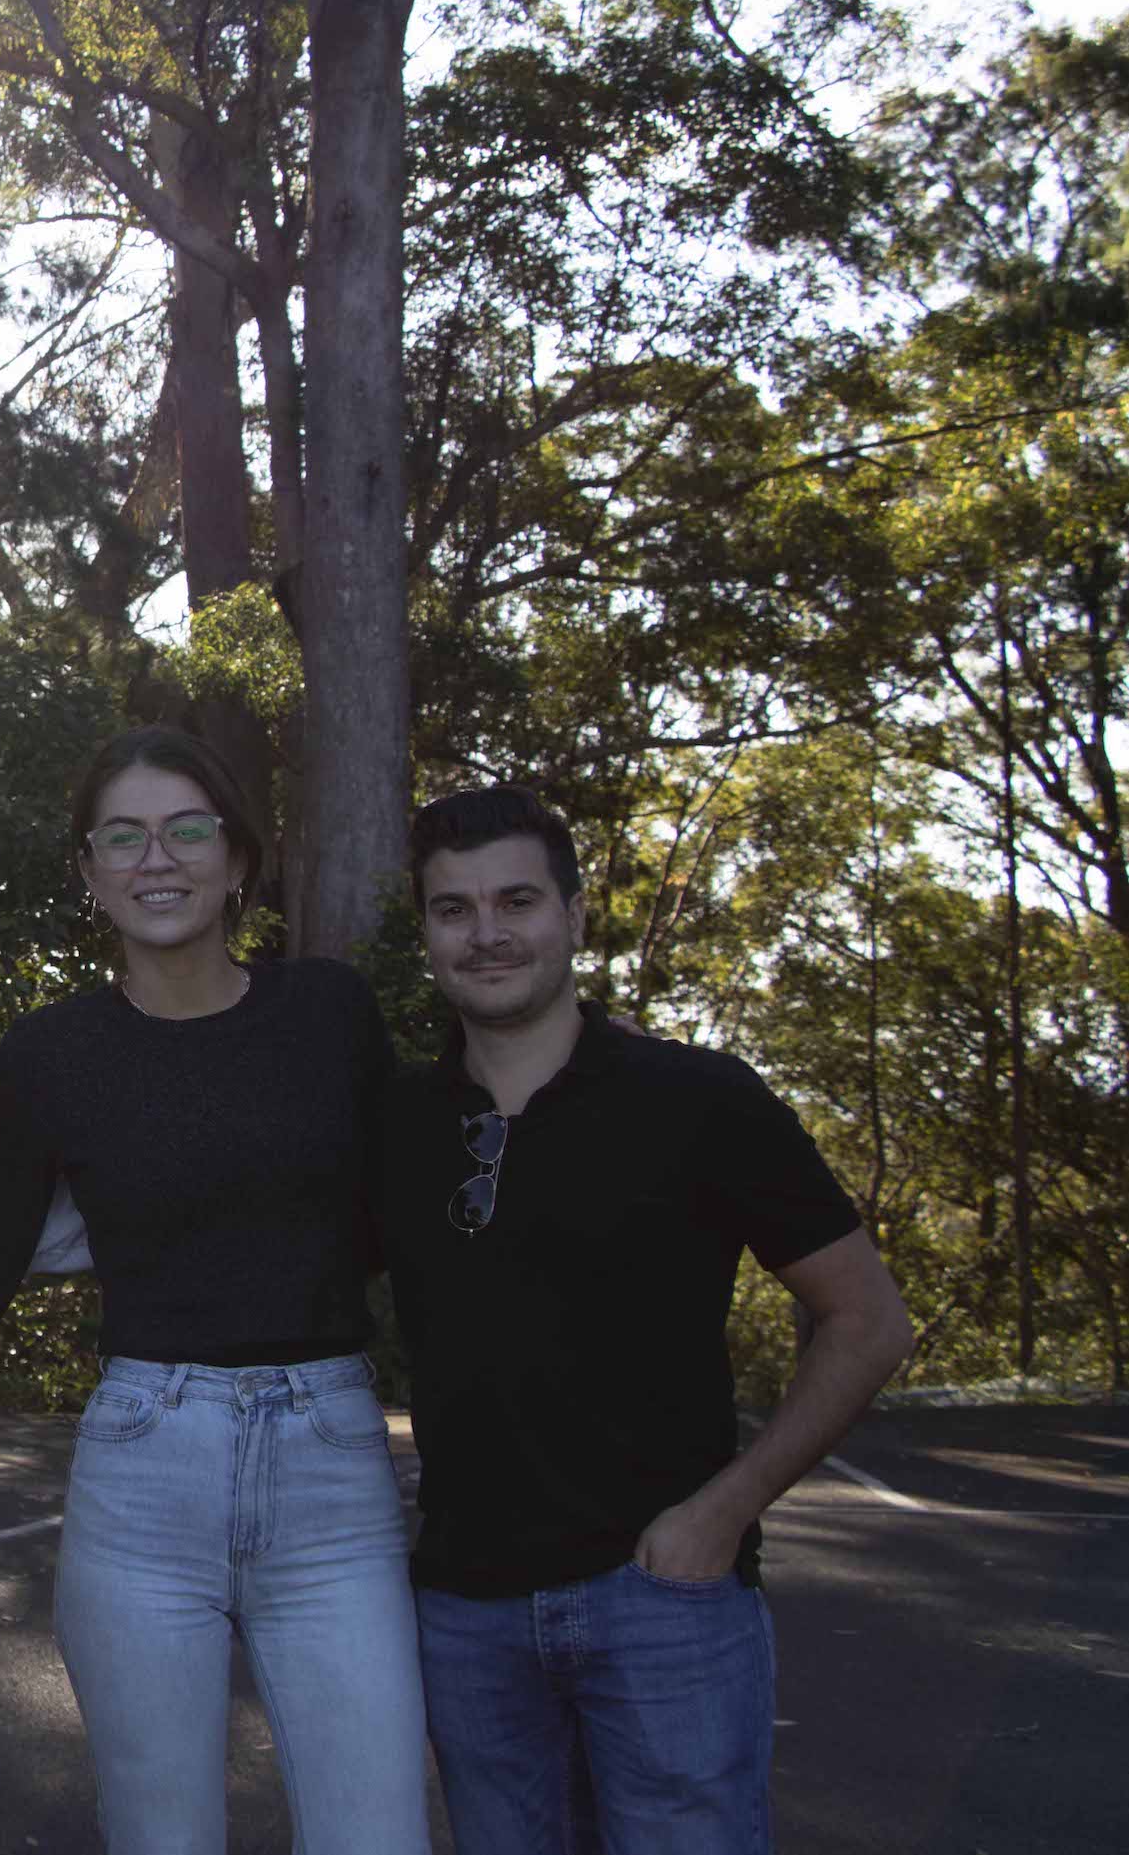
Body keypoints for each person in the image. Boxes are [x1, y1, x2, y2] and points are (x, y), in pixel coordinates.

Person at [0, 724, 430, 1855]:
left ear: (239, 857)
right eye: (124, 836)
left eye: (186, 828)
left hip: (331, 1474)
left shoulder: (328, 1014)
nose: (157, 859)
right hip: (143, 1473)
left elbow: (403, 1228)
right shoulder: (51, 1052)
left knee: (379, 1837)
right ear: (90, 873)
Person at [384, 786, 915, 1853]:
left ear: (575, 916)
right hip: (465, 1614)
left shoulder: (699, 1099)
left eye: (517, 900)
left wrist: (722, 1511)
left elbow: (866, 1319)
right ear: (428, 933)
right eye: (454, 909)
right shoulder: (393, 1124)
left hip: (661, 1600)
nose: (487, 932)